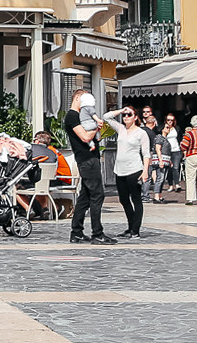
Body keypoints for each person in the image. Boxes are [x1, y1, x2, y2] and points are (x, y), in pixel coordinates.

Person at [62, 90, 111, 244]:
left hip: (91, 158)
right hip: (87, 160)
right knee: (97, 195)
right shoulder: (72, 116)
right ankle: (97, 233)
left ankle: (76, 232)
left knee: (85, 197)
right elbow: (84, 137)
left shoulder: (83, 115)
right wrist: (96, 127)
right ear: (77, 98)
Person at [111, 108, 150, 239]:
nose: (126, 117)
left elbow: (146, 153)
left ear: (135, 117)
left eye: (129, 114)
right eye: (124, 115)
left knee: (136, 199)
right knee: (123, 200)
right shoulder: (121, 129)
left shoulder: (141, 133)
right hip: (119, 170)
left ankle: (135, 230)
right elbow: (106, 117)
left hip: (134, 169)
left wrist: (145, 171)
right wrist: (121, 110)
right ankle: (131, 226)